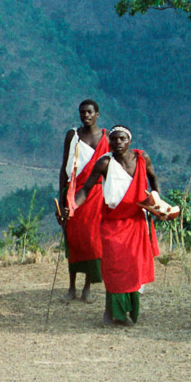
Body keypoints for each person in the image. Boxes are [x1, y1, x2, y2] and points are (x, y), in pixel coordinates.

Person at [73, 126, 163, 326]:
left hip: (136, 221)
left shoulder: (142, 159)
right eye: (113, 140)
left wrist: (158, 202)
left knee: (133, 267)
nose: (117, 143)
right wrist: (72, 206)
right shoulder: (105, 162)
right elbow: (86, 189)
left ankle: (129, 312)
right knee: (113, 268)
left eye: (122, 139)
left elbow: (153, 179)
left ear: (129, 141)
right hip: (113, 222)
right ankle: (111, 312)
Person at [58, 99, 108, 302]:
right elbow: (64, 167)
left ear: (97, 114)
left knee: (92, 240)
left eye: (89, 112)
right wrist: (62, 198)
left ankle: (88, 286)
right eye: (82, 112)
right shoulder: (73, 135)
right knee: (74, 238)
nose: (85, 116)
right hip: (74, 191)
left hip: (97, 195)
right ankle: (71, 286)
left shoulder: (107, 137)